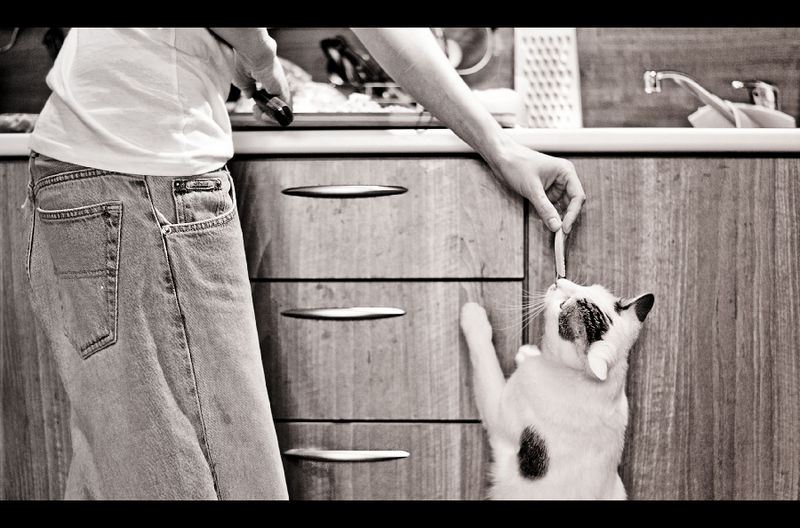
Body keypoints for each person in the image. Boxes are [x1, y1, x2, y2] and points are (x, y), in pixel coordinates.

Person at [24, 27, 584, 500]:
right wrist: (259, 55)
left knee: (124, 469)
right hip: (143, 176)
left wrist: (234, 53)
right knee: (221, 480)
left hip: (92, 170)